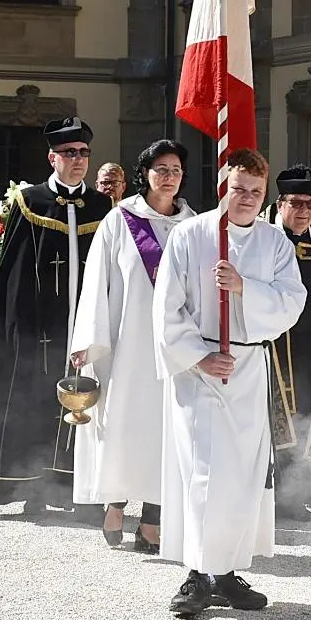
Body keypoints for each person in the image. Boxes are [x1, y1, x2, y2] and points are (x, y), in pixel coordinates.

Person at [154, 148, 308, 617]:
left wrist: (244, 288)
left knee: (242, 474)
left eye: (256, 192)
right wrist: (200, 358)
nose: (246, 198)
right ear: (225, 185)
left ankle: (225, 571)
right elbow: (167, 306)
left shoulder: (274, 242)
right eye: (239, 189)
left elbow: (292, 302)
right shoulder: (191, 234)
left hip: (248, 365)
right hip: (201, 367)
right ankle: (197, 574)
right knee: (204, 470)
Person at [0, 118, 111, 504]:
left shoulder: (101, 206)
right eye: (69, 153)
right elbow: (14, 270)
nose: (78, 160)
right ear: (52, 157)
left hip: (84, 322)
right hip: (40, 326)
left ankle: (78, 490)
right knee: (33, 400)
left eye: (84, 153)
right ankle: (32, 485)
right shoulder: (30, 201)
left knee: (88, 400)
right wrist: (16, 327)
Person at [69, 140, 197, 552]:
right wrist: (88, 339)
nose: (169, 177)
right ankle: (116, 503)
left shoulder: (193, 224)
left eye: (176, 170)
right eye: (161, 169)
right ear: (145, 173)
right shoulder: (120, 221)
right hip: (126, 343)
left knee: (167, 431)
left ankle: (153, 520)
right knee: (123, 424)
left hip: (173, 347)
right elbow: (96, 281)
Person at [269, 164, 311, 521]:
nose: (304, 211)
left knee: (306, 415)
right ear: (280, 204)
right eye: (296, 203)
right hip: (275, 343)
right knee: (276, 413)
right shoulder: (264, 238)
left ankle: (298, 490)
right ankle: (273, 492)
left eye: (309, 204)